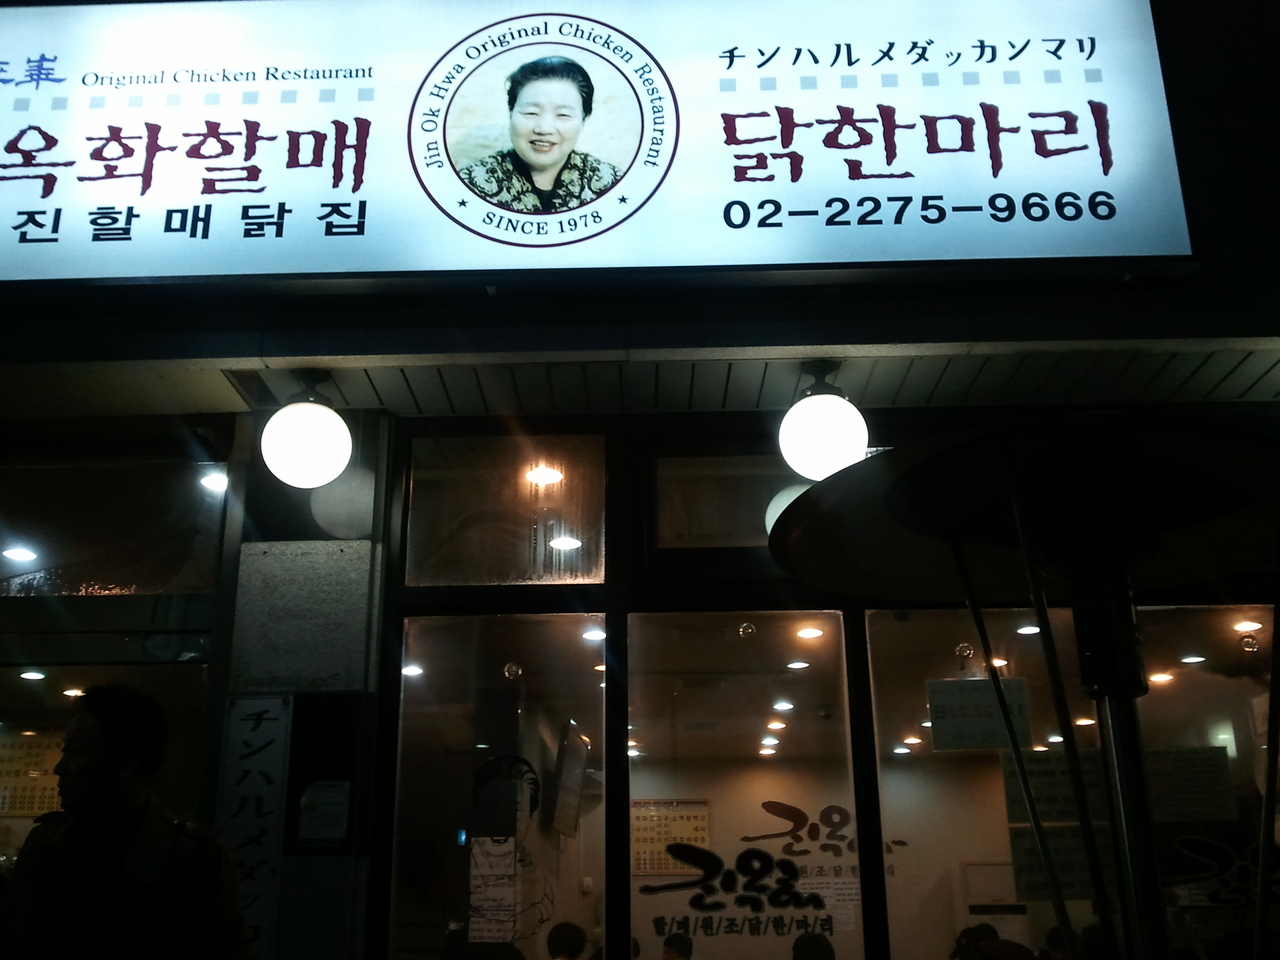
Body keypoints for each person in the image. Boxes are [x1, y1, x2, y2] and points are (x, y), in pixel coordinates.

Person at [0, 684, 245, 959]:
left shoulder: (196, 861)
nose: (59, 768)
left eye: (76, 751)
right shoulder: (43, 840)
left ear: (126, 761)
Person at [458, 56, 621, 213]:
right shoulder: (468, 186)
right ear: (511, 113)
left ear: (583, 119)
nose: (544, 128)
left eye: (563, 115)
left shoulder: (613, 187)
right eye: (531, 112)